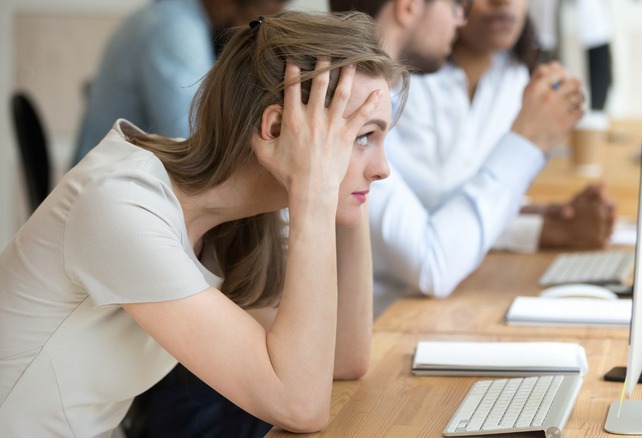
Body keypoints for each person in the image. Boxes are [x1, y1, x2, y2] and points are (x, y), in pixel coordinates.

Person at [0, 10, 408, 436]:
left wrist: (344, 190)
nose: (383, 169)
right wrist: (318, 192)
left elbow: (344, 359)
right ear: (275, 127)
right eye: (362, 137)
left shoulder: (234, 215)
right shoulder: (122, 205)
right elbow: (300, 404)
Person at [332, 0, 614, 315]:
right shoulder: (347, 106)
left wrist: (536, 217)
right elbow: (434, 264)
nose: (459, 17)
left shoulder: (380, 92)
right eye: (454, 4)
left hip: (392, 317)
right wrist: (528, 142)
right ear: (408, 7)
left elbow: (434, 211)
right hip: (379, 320)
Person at [71, 0, 288, 166]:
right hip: (110, 195)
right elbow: (198, 145)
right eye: (253, 19)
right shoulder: (172, 31)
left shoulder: (167, 17)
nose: (249, 32)